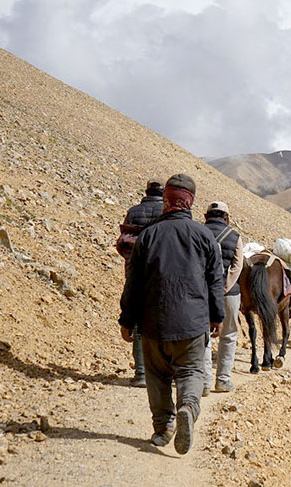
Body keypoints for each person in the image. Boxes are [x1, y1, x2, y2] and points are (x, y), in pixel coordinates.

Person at [118, 174, 223, 454]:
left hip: (153, 323)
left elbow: (134, 282)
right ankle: (187, 407)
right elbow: (215, 281)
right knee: (190, 371)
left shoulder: (148, 235)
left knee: (156, 375)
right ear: (190, 202)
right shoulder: (204, 236)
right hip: (192, 322)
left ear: (166, 200)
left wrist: (126, 319)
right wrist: (217, 316)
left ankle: (163, 427)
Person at [115, 177, 165, 388]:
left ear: (146, 192)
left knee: (137, 322)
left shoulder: (134, 211)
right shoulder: (167, 213)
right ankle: (161, 371)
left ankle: (142, 373)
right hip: (160, 274)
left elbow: (124, 241)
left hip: (134, 272)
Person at [202, 201, 243, 394]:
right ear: (226, 218)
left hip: (201, 293)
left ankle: (204, 381)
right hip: (230, 293)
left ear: (206, 216)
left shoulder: (197, 233)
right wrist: (224, 287)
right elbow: (237, 266)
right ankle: (223, 380)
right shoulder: (234, 236)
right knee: (229, 335)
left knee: (203, 336)